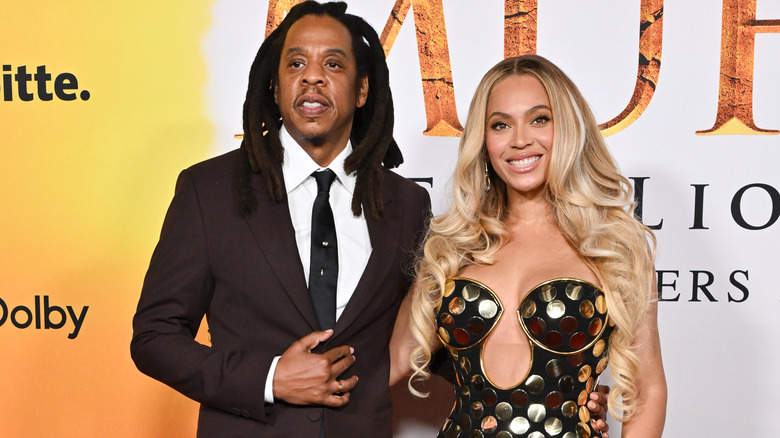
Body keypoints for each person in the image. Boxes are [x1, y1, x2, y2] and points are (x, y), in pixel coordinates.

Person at [130, 2, 431, 437]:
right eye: (296, 63)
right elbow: (154, 339)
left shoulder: (407, 204)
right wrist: (269, 379)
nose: (312, 75)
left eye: (333, 63)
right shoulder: (208, 191)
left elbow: (428, 329)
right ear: (275, 87)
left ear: (363, 90)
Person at [390, 55, 667, 437]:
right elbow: (392, 363)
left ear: (567, 127)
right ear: (483, 141)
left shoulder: (614, 245)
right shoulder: (454, 245)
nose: (520, 140)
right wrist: (279, 376)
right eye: (500, 124)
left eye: (540, 119)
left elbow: (646, 390)